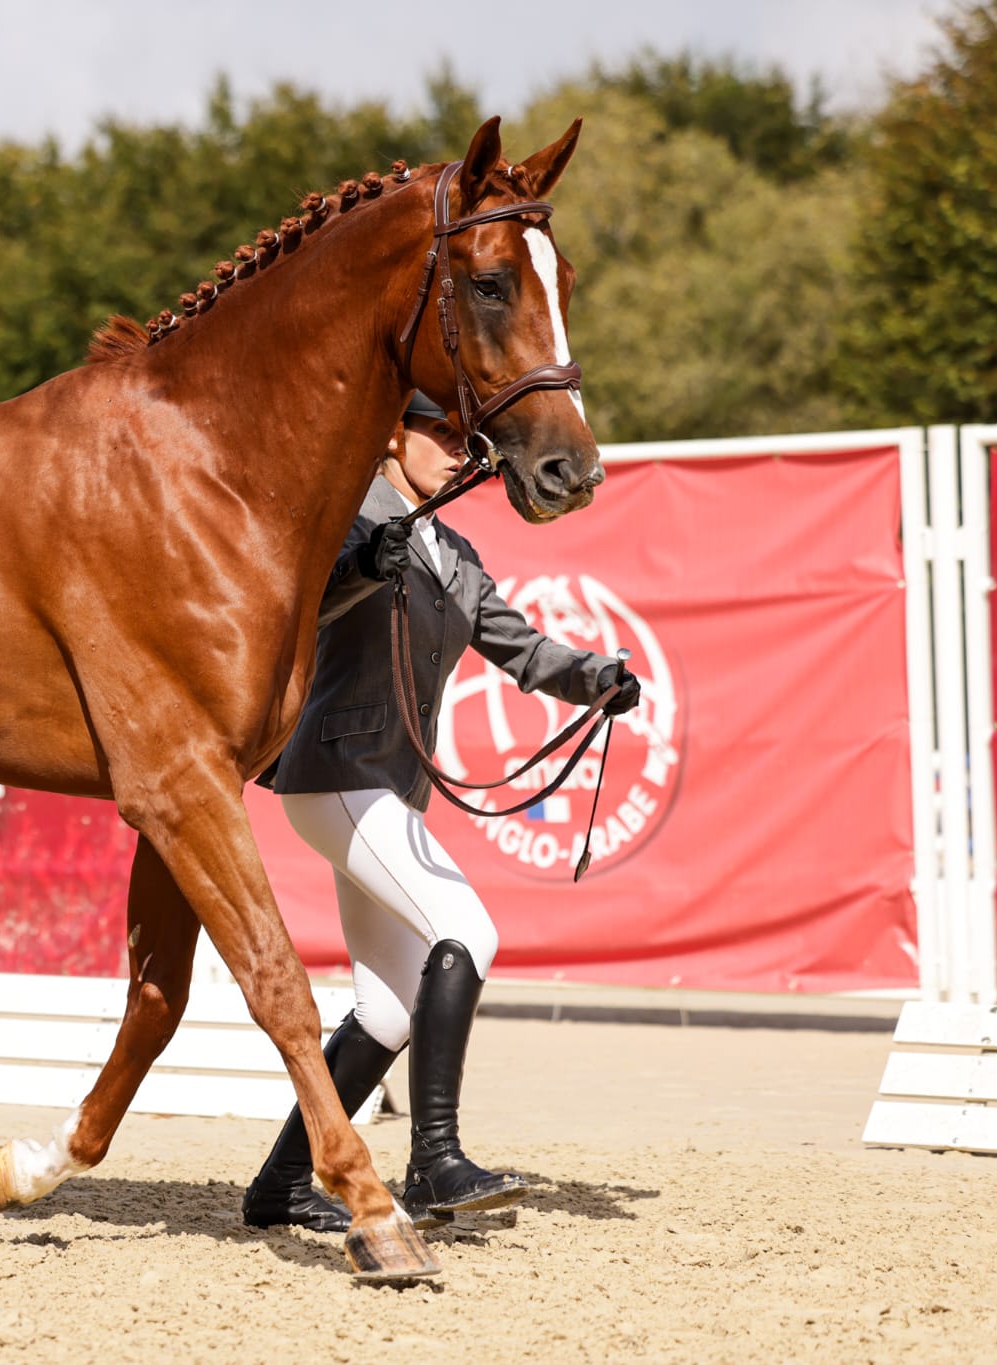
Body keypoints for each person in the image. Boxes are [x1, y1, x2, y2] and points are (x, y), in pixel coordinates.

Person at [245, 392, 640, 1232]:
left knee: (387, 1006)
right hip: (333, 771)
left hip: (391, 785)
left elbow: (521, 649)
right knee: (469, 929)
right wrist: (357, 568)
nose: (461, 452)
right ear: (393, 435)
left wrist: (594, 677)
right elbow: (296, 611)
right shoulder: (349, 519)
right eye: (444, 436)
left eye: (469, 443)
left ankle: (279, 1185)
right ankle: (435, 1158)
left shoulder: (455, 555)